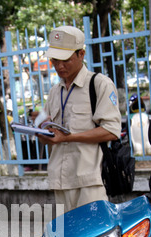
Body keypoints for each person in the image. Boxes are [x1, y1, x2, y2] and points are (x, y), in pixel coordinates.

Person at [36, 25, 122, 213]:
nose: (59, 66)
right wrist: (40, 130)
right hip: (60, 181)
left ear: (81, 54)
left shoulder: (99, 84)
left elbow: (111, 131)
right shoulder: (54, 92)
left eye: (65, 60)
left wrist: (68, 137)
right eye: (55, 60)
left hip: (89, 181)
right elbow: (49, 138)